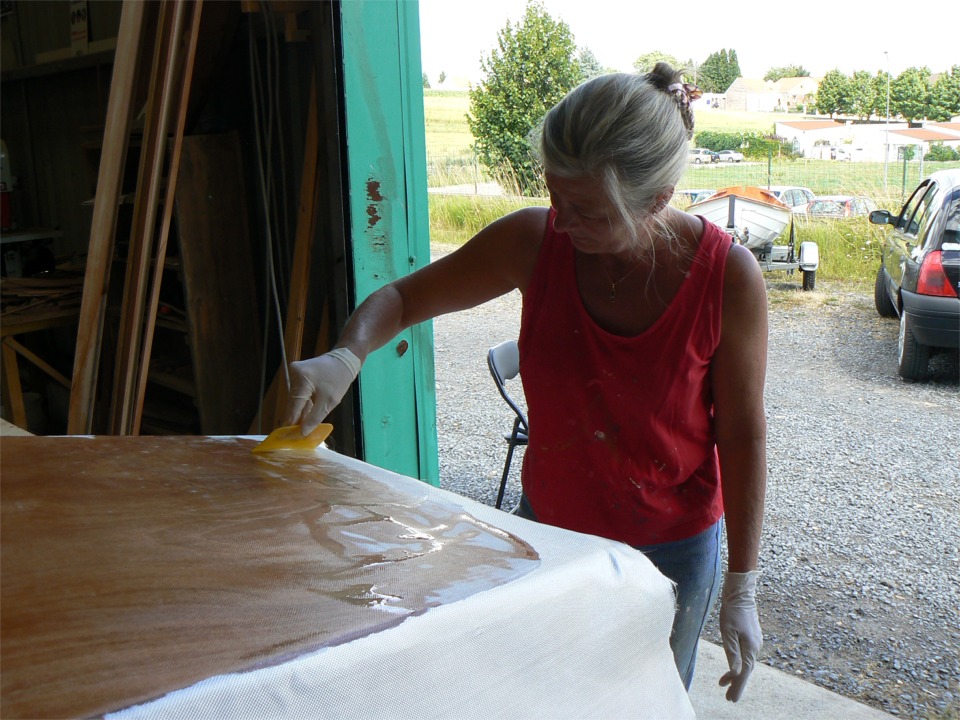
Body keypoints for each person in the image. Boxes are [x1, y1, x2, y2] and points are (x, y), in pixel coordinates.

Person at [284, 63, 767, 702]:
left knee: (645, 703)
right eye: (554, 195)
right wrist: (345, 356)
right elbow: (400, 299)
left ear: (656, 199)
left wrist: (741, 585)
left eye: (588, 211)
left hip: (670, 550)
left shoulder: (726, 279)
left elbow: (740, 436)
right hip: (552, 533)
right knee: (542, 695)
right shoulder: (533, 242)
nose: (561, 222)